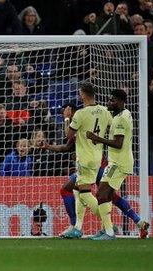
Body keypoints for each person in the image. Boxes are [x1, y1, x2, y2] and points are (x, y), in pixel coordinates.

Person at [86, 89, 150, 240]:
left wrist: (97, 138)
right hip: (118, 161)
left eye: (112, 100)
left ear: (121, 102)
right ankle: (139, 222)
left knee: (101, 194)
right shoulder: (124, 113)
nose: (109, 102)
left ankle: (108, 232)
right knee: (108, 195)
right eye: (109, 100)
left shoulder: (120, 119)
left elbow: (118, 143)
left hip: (118, 163)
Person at [61, 82, 111, 239]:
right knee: (76, 190)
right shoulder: (104, 111)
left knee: (84, 194)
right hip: (98, 157)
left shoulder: (80, 114)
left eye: (79, 93)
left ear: (83, 94)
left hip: (84, 158)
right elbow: (111, 127)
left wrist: (67, 118)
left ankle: (107, 224)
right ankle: (77, 227)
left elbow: (68, 135)